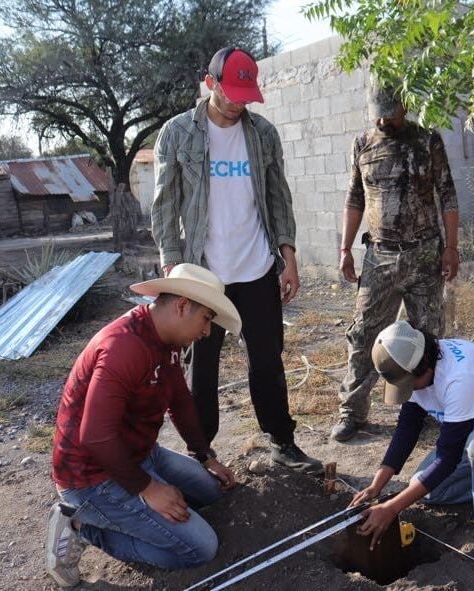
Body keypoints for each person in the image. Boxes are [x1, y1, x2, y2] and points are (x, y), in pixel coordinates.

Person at [151, 47, 322, 474]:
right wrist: (172, 266)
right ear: (210, 83)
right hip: (202, 275)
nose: (238, 104)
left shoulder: (263, 134)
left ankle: (282, 442)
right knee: (201, 373)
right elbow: (164, 206)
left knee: (268, 363)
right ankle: (202, 454)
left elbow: (278, 197)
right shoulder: (177, 134)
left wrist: (288, 255)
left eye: (246, 96)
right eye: (231, 94)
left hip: (257, 269)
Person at [46, 264, 241, 587]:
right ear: (182, 306)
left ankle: (142, 513)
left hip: (141, 455)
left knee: (211, 491)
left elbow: (180, 400)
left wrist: (205, 455)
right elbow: (95, 435)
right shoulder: (124, 346)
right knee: (201, 548)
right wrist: (148, 488)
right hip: (92, 477)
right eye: (206, 318)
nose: (207, 331)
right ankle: (83, 528)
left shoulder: (166, 341)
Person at [331, 81, 460, 442]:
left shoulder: (428, 141)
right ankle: (352, 412)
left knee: (428, 336)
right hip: (379, 257)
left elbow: (447, 194)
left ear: (404, 105)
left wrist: (451, 247)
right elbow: (354, 198)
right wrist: (345, 249)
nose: (383, 121)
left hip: (424, 255)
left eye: (390, 113)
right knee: (363, 334)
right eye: (378, 115)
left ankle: (428, 409)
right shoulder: (362, 144)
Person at [350, 321, 474, 545]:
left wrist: (392, 508)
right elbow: (407, 428)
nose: (410, 390)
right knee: (428, 489)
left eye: (410, 384)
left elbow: (448, 458)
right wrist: (376, 485)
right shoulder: (415, 362)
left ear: (424, 366)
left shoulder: (461, 376)